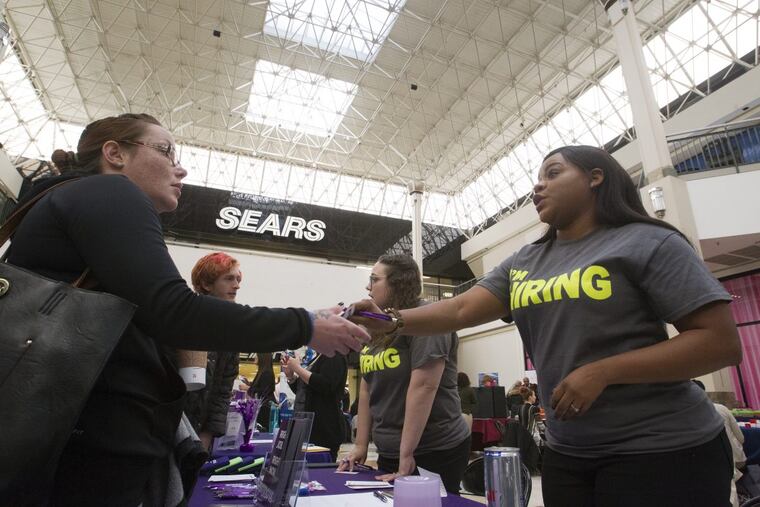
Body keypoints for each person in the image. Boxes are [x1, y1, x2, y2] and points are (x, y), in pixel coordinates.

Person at [4, 113, 370, 505]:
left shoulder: (71, 201)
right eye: (165, 151)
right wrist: (305, 325)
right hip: (86, 442)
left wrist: (312, 317)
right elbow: (176, 313)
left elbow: (158, 312)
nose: (181, 167)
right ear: (115, 154)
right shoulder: (110, 193)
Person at [350, 145, 742, 506]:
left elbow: (719, 342)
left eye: (552, 173)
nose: (538, 186)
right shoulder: (527, 260)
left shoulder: (646, 242)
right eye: (537, 178)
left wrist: (604, 371)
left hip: (662, 450)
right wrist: (390, 321)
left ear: (595, 177)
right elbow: (459, 310)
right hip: (568, 452)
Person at [338, 254, 470, 494]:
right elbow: (367, 386)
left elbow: (424, 387)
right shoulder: (377, 325)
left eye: (374, 279)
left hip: (433, 449)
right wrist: (360, 446)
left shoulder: (428, 318)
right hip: (391, 451)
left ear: (398, 284)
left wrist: (407, 453)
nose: (368, 286)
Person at [175, 252, 243, 452]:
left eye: (238, 279)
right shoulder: (180, 319)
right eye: (229, 278)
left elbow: (223, 390)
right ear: (206, 283)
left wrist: (208, 433)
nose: (237, 285)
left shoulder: (230, 329)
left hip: (199, 432)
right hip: (165, 429)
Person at [282, 349, 348, 461]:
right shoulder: (318, 357)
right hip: (306, 426)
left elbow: (326, 385)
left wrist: (298, 369)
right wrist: (291, 376)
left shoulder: (335, 356)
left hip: (324, 428)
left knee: (320, 470)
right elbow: (305, 390)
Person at [246, 353, 277, 430]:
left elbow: (264, 390)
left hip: (265, 409)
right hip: (262, 407)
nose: (255, 357)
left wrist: (247, 388)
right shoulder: (262, 372)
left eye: (257, 355)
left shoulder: (266, 373)